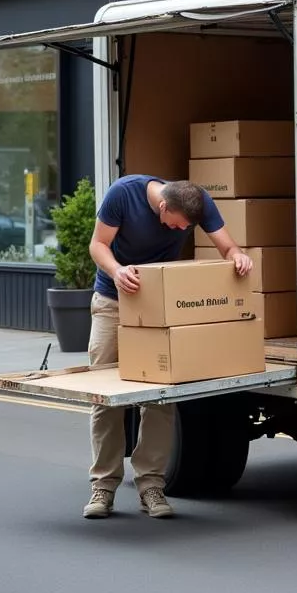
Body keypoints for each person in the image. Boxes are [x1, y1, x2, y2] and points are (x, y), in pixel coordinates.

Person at [82, 176, 253, 520]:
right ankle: (103, 486)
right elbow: (97, 244)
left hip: (160, 305)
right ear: (163, 206)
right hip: (113, 301)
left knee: (161, 396)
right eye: (178, 224)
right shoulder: (123, 195)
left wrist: (238, 257)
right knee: (104, 395)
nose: (181, 231)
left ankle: (151, 486)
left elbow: (227, 245)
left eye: (187, 226)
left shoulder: (196, 201)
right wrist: (116, 271)